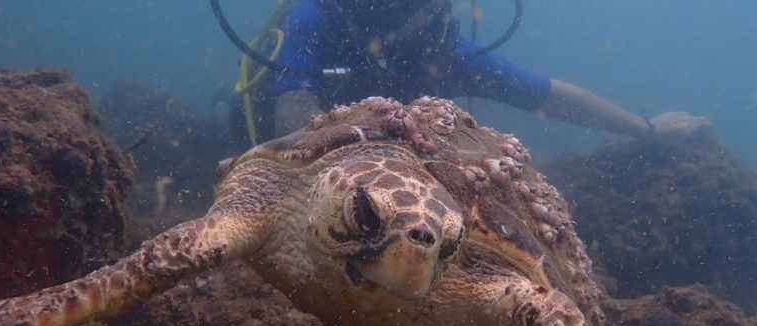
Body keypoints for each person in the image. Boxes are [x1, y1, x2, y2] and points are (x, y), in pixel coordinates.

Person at [237, 0, 709, 144]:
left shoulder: (444, 52)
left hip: (375, 172)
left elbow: (546, 95)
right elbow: (292, 110)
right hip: (276, 144)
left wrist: (644, 129)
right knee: (232, 129)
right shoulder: (314, 16)